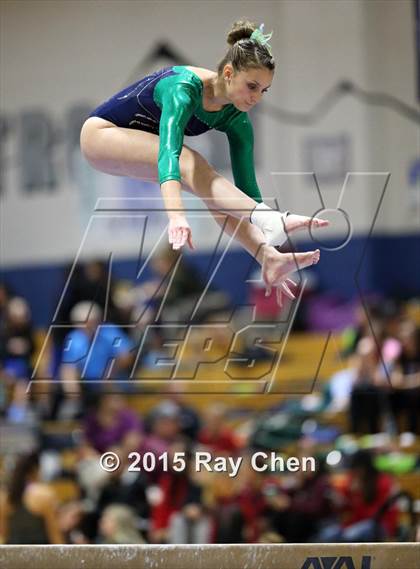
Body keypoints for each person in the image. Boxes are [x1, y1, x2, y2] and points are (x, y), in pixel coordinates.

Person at [80, 20, 329, 306]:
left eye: (264, 90)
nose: (257, 97)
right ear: (228, 73)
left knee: (210, 189)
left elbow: (247, 192)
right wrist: (176, 215)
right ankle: (273, 218)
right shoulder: (183, 89)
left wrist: (263, 243)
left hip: (129, 145)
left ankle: (269, 258)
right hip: (100, 134)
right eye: (252, 86)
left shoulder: (237, 120)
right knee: (191, 161)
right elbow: (169, 154)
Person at [0, 452, 64, 544]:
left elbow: (3, 535)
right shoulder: (45, 494)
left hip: (13, 555)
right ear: (36, 470)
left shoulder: (4, 497)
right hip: (41, 555)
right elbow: (54, 533)